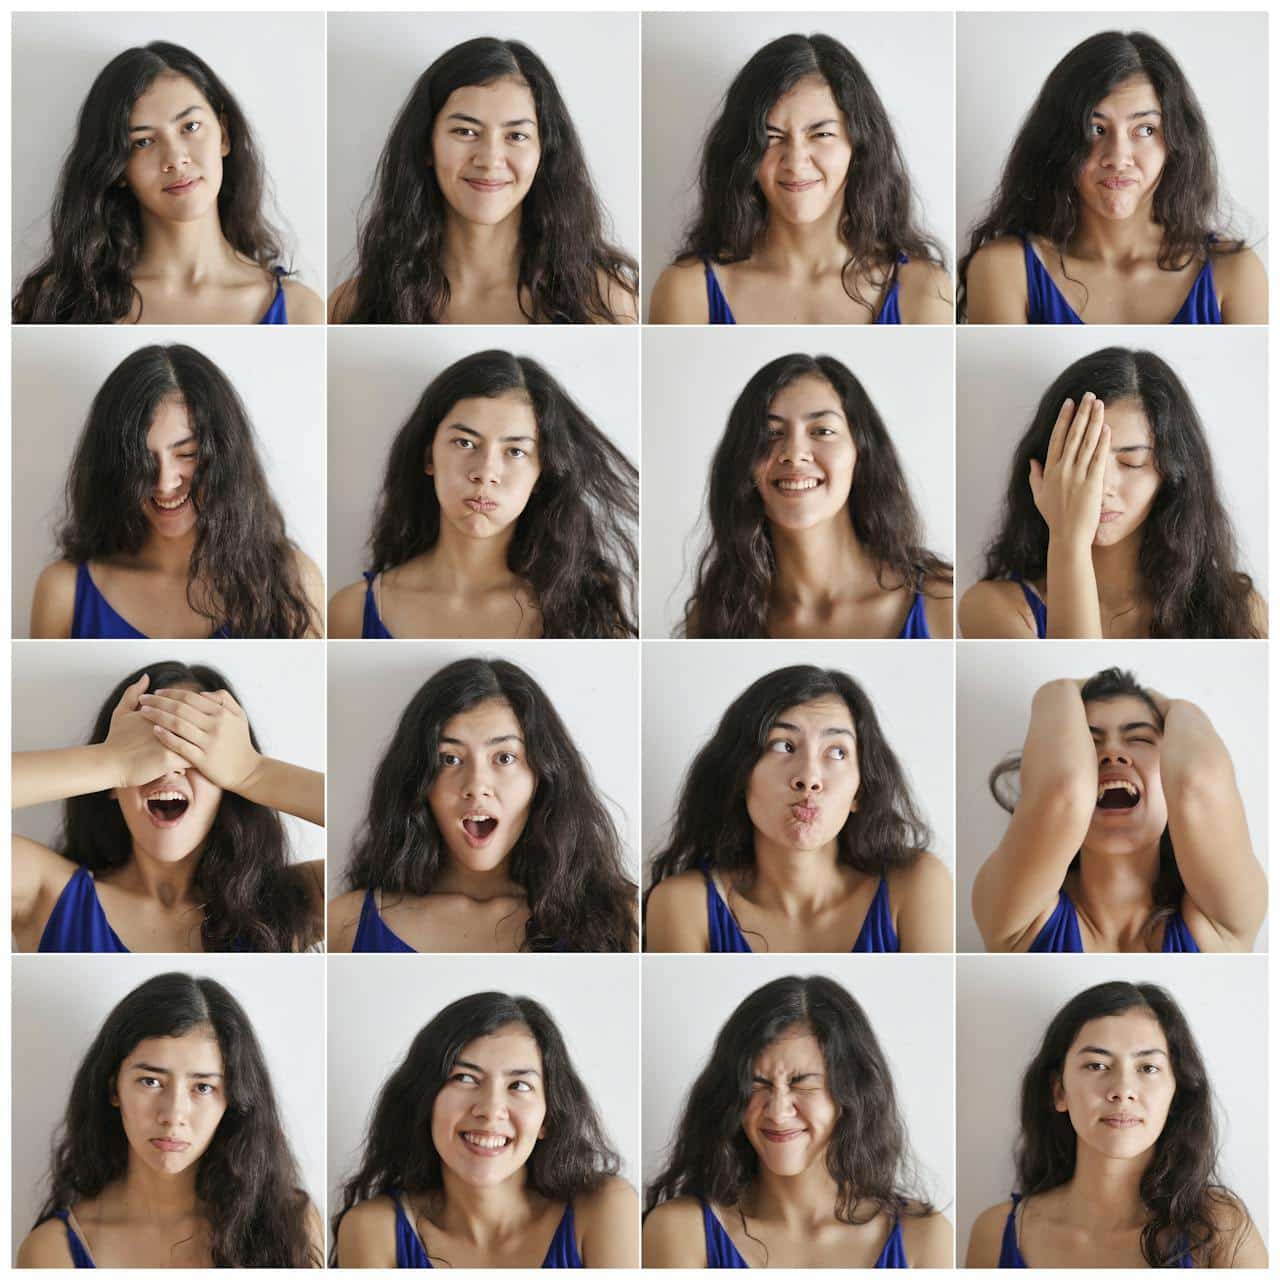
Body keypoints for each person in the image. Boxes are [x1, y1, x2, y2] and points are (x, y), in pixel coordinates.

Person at [13, 661, 325, 952]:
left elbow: (365, 821)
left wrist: (253, 772)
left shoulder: (287, 902)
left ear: (227, 784)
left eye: (193, 750)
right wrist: (110, 763)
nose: (168, 768)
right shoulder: (46, 893)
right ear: (110, 786)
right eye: (149, 749)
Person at [329, 659, 637, 953]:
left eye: (504, 757)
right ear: (418, 781)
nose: (476, 786)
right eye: (450, 759)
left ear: (543, 776)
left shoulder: (621, 921)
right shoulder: (346, 923)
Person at [16, 971, 322, 1267]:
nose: (174, 1115)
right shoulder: (53, 1252)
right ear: (113, 1088)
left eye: (203, 1087)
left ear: (232, 1100)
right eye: (151, 1081)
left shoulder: (292, 1226)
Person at [960, 30, 1266, 324]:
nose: (1119, 158)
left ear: (1176, 143)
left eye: (1145, 130)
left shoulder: (1235, 272)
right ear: (1057, 142)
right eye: (1096, 129)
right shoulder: (1004, 269)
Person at [644, 975, 951, 1267]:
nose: (778, 1112)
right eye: (757, 1084)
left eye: (802, 1083)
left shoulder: (925, 1239)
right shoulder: (681, 1232)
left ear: (851, 1093)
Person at [959, 347, 1266, 639]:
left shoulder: (1239, 610)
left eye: (1132, 462)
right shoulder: (994, 608)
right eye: (1081, 458)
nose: (1100, 488)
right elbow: (1076, 668)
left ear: (1172, 474)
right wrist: (1068, 539)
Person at [328, 350, 636, 640]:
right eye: (464, 443)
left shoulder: (586, 615)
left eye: (515, 451)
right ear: (429, 457)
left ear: (542, 474)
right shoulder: (351, 612)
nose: (486, 472)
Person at [644, 665, 952, 953]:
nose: (808, 778)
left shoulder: (917, 884)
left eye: (837, 752)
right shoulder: (682, 904)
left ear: (861, 790)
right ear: (739, 775)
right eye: (783, 746)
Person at [649, 33, 951, 324]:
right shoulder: (686, 292)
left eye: (821, 134)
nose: (795, 162)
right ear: (743, 152)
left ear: (859, 145)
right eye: (772, 136)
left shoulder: (924, 291)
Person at [329, 37, 636, 323]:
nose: (489, 160)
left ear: (545, 152)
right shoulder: (352, 305)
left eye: (516, 136)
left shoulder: (605, 302)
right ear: (426, 145)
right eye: (465, 131)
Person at [30, 343, 325, 639]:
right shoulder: (63, 592)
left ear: (225, 458)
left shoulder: (293, 582)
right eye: (142, 459)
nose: (164, 482)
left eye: (187, 453)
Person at [13, 41, 322, 324]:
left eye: (190, 126)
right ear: (118, 168)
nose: (175, 159)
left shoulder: (301, 311)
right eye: (143, 142)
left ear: (224, 135)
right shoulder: (63, 302)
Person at [966, 981, 1267, 1267]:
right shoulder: (994, 1234)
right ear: (1059, 1090)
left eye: (1148, 1067)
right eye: (1097, 1065)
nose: (1122, 1090)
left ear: (1176, 1091)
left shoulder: (1220, 1231)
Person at [332, 991, 638, 1267]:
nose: (491, 1111)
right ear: (425, 1100)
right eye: (464, 1078)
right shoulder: (373, 1229)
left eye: (519, 1085)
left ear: (547, 1118)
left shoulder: (604, 1209)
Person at [974, 668, 1265, 953]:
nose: (1112, 752)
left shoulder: (1220, 920)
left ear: (1170, 768)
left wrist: (1175, 706)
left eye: (1139, 739)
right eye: (1089, 742)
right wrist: (1059, 688)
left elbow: (1196, 784)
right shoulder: (1017, 916)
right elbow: (1063, 791)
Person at [679, 353, 952, 639]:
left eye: (822, 431)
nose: (794, 454)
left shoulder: (942, 602)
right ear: (743, 462)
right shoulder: (713, 617)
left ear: (861, 453)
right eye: (770, 433)